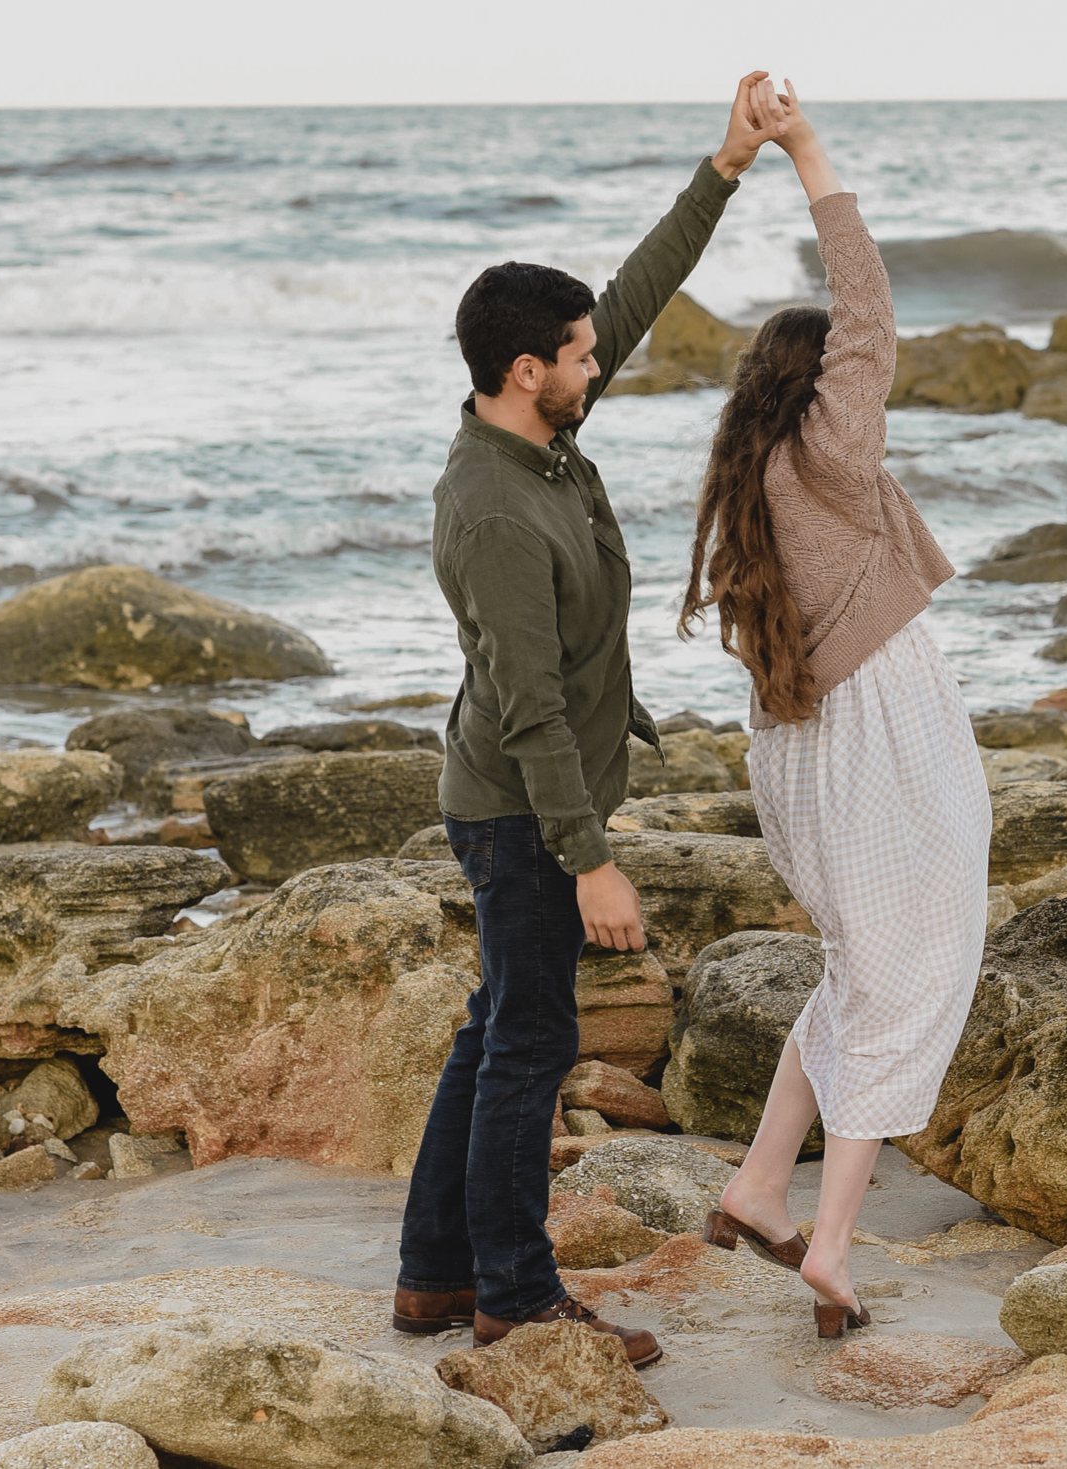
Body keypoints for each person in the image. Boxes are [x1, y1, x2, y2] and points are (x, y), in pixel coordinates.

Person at [392, 73, 789, 1366]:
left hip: (519, 800)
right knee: (532, 1044)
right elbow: (524, 705)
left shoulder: (539, 439)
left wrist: (724, 167)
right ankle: (514, 1292)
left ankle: (433, 1275)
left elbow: (629, 297)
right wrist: (591, 854)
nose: (596, 362)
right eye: (575, 356)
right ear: (525, 371)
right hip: (516, 811)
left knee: (495, 1025)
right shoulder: (498, 506)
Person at [679, 82, 993, 1340]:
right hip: (885, 728)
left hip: (800, 748)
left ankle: (761, 1185)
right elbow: (869, 303)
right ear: (824, 392)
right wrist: (805, 151)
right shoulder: (833, 453)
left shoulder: (753, 481)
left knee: (860, 966)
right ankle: (833, 1241)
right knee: (912, 972)